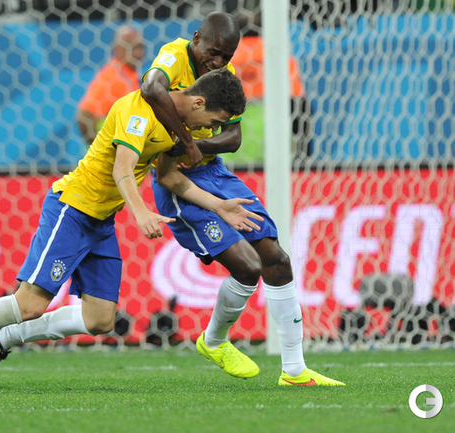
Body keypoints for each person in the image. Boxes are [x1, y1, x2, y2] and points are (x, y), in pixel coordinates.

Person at [0, 68, 260, 392]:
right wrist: (140, 212)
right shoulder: (138, 111)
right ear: (198, 103)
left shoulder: (176, 126)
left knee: (100, 319)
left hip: (101, 222)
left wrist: (218, 206)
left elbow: (169, 178)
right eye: (215, 121)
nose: (212, 130)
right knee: (29, 304)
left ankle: (5, 337)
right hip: (72, 208)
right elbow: (122, 168)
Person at [142, 11, 344, 386]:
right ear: (197, 38)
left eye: (227, 56)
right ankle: (213, 341)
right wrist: (186, 143)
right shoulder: (173, 56)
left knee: (276, 258)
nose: (218, 62)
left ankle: (294, 370)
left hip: (213, 171)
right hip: (176, 181)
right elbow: (151, 88)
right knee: (249, 268)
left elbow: (233, 138)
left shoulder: (224, 76)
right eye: (214, 52)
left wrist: (195, 146)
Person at [224, 11, 313, 163]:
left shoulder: (224, 58)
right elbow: (300, 104)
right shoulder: (278, 54)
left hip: (234, 145)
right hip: (276, 141)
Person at [76, 25, 145, 146]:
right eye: (131, 47)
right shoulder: (113, 77)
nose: (138, 53)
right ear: (117, 49)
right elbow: (83, 116)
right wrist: (101, 148)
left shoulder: (129, 74)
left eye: (140, 47)